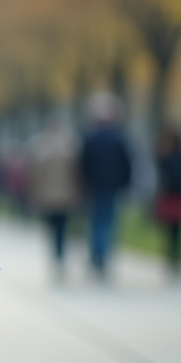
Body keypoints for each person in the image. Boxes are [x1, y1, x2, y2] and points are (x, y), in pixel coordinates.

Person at [79, 93, 132, 277]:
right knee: (108, 222)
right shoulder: (118, 138)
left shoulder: (90, 138)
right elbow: (126, 164)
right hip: (112, 186)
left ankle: (97, 254)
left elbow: (83, 164)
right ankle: (102, 255)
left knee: (96, 222)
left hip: (95, 186)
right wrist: (125, 183)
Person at [26, 120, 78, 278]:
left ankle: (56, 256)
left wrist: (34, 194)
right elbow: (76, 175)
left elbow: (36, 176)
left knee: (52, 228)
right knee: (62, 228)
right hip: (65, 197)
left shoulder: (41, 150)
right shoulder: (70, 150)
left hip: (48, 197)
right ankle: (60, 256)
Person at [154, 126, 181, 276]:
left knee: (170, 231)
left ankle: (171, 258)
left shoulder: (166, 157)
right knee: (179, 231)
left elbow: (161, 176)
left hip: (170, 196)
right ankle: (177, 258)